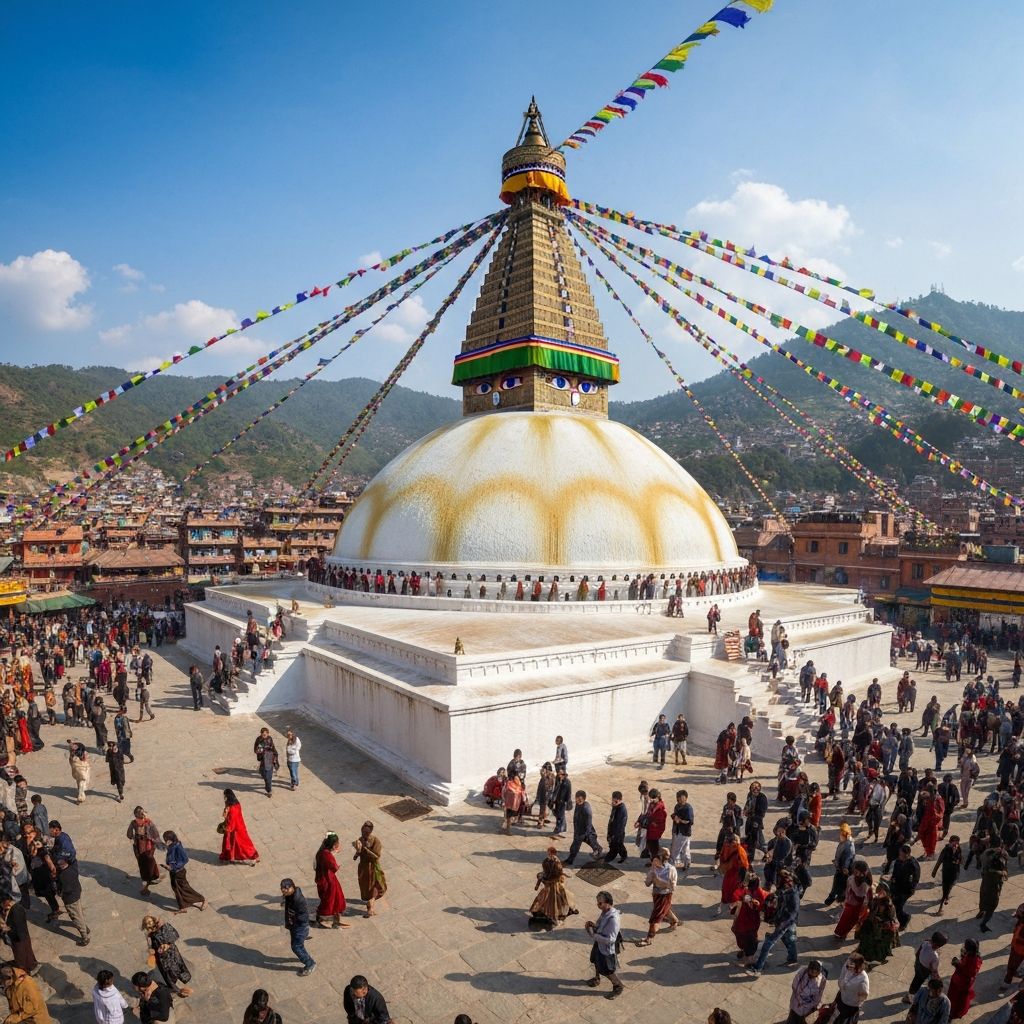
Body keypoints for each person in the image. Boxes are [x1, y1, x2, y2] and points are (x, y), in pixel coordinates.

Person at [750, 869, 800, 975]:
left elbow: (793, 913)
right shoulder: (784, 889)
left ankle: (758, 967)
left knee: (768, 943)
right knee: (789, 941)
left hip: (785, 923)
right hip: (781, 920)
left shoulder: (793, 895)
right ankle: (792, 959)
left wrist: (781, 925)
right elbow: (775, 899)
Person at [50, 820, 90, 946]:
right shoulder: (71, 867)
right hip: (75, 890)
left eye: (51, 829)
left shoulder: (64, 873)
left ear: (56, 829)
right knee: (78, 910)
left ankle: (84, 936)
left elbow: (68, 854)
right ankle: (84, 927)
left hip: (70, 894)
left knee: (74, 914)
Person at [585, 890, 624, 1000]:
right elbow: (600, 925)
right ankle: (597, 979)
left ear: (608, 902)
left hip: (606, 948)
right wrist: (594, 926)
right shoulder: (605, 912)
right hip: (599, 944)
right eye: (598, 903)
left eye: (600, 903)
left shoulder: (613, 919)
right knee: (595, 960)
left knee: (607, 970)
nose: (598, 905)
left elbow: (611, 939)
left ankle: (618, 986)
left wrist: (593, 935)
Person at [142, 915, 193, 998]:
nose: (148, 924)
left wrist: (167, 944)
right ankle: (175, 988)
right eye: (146, 923)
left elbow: (175, 935)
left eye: (149, 922)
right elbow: (151, 945)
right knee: (167, 973)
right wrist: (151, 950)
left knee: (176, 967)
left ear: (154, 920)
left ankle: (180, 980)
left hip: (171, 952)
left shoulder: (163, 926)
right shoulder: (148, 934)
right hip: (160, 957)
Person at [635, 847, 678, 946]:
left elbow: (672, 887)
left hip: (663, 895)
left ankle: (649, 938)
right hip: (660, 895)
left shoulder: (666, 869)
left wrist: (658, 880)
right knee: (665, 910)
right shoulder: (666, 869)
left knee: (655, 919)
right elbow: (672, 886)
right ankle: (674, 922)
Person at [528, 846, 577, 928]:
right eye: (548, 853)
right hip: (551, 885)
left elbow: (556, 874)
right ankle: (552, 916)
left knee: (554, 902)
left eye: (549, 853)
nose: (549, 855)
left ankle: (555, 918)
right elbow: (548, 873)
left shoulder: (555, 863)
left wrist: (544, 878)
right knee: (547, 900)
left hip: (554, 886)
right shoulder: (547, 861)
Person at [855, 882, 899, 965]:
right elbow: (869, 912)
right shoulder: (875, 901)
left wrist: (881, 921)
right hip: (872, 926)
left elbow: (892, 920)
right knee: (866, 940)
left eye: (882, 891)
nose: (879, 893)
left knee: (880, 947)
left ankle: (877, 960)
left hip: (884, 931)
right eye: (879, 891)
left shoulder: (890, 906)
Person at [162, 831, 206, 913]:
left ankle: (201, 899)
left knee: (185, 888)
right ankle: (182, 906)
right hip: (173, 871)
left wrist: (173, 866)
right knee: (176, 888)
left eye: (166, 839)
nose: (165, 841)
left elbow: (185, 859)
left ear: (171, 839)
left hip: (179, 872)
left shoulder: (178, 847)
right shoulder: (171, 846)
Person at [730, 871, 767, 965]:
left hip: (742, 919)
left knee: (743, 937)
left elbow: (736, 898)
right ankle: (748, 960)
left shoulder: (745, 891)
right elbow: (759, 906)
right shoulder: (757, 893)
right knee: (750, 940)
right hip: (750, 922)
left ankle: (744, 951)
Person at [280, 878, 315, 977]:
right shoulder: (290, 895)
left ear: (292, 887)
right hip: (293, 925)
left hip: (299, 927)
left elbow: (303, 917)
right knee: (298, 944)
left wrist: (295, 924)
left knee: (296, 947)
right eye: (282, 889)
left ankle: (309, 963)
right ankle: (303, 952)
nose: (284, 891)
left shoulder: (298, 900)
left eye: (286, 889)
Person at [314, 832, 349, 928]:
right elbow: (334, 868)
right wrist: (337, 863)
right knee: (331, 901)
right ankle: (324, 919)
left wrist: (333, 853)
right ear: (333, 845)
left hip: (323, 879)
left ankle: (334, 919)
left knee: (331, 899)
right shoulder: (327, 855)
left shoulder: (321, 852)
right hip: (328, 881)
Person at [353, 820, 386, 917]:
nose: (364, 834)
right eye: (363, 832)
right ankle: (370, 905)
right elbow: (356, 856)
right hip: (363, 868)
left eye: (366, 832)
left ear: (370, 832)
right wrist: (357, 852)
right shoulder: (360, 840)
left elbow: (376, 856)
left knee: (375, 886)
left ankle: (370, 908)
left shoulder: (375, 841)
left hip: (373, 867)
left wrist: (366, 849)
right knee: (367, 887)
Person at [127, 806, 163, 895]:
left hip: (145, 845)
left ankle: (149, 880)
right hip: (143, 845)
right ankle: (152, 878)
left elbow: (129, 835)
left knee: (146, 862)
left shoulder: (145, 822)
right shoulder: (140, 823)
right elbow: (130, 834)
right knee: (147, 861)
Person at [903, 932, 947, 1004]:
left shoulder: (925, 942)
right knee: (917, 983)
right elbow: (934, 969)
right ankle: (910, 997)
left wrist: (917, 961)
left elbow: (918, 953)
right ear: (939, 946)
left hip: (918, 965)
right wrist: (937, 978)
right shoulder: (935, 956)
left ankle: (911, 993)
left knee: (916, 979)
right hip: (924, 971)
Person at [219, 789, 259, 865]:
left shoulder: (232, 808)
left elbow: (231, 821)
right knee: (242, 844)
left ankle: (253, 857)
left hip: (235, 830)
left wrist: (227, 829)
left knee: (242, 846)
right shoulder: (236, 804)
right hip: (240, 827)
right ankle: (231, 857)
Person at [0, 894, 37, 975]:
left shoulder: (17, 909)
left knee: (22, 954)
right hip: (15, 936)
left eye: (2, 903)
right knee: (25, 953)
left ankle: (24, 970)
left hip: (19, 937)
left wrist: (7, 930)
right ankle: (29, 965)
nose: (2, 906)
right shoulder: (6, 908)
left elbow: (20, 928)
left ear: (7, 901)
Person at [564, 791, 603, 865]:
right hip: (578, 829)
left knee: (574, 847)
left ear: (584, 799)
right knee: (591, 843)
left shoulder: (586, 809)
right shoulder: (578, 804)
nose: (577, 801)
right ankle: (598, 848)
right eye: (577, 799)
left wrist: (587, 834)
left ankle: (570, 860)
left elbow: (588, 823)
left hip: (584, 831)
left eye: (580, 800)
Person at [946, 938, 981, 1019]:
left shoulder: (974, 961)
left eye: (965, 946)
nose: (964, 947)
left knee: (957, 999)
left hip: (961, 983)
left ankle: (954, 1013)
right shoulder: (973, 955)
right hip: (960, 980)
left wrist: (957, 964)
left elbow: (969, 973)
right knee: (956, 997)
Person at [979, 842, 1009, 931]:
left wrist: (1004, 873)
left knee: (983, 897)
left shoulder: (988, 853)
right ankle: (983, 924)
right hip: (993, 885)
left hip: (986, 882)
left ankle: (981, 911)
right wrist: (1002, 873)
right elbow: (999, 870)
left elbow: (1004, 868)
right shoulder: (993, 856)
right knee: (992, 905)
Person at [891, 843, 920, 930]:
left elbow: (914, 879)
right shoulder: (898, 861)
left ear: (907, 855)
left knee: (898, 906)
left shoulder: (913, 865)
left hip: (906, 890)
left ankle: (904, 920)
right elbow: (895, 872)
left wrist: (911, 889)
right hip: (897, 886)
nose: (899, 856)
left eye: (901, 855)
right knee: (894, 903)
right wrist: (893, 879)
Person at [787, 960, 827, 1024]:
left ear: (819, 972)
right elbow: (795, 986)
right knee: (793, 1015)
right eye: (811, 973)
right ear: (808, 969)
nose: (813, 976)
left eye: (815, 974)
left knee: (800, 1017)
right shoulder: (802, 972)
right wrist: (800, 1001)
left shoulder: (822, 980)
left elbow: (818, 995)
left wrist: (811, 1005)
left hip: (807, 1006)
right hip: (796, 1001)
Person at [835, 953, 869, 1024]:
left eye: (851, 966)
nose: (848, 968)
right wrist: (842, 987)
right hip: (842, 996)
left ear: (858, 967)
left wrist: (855, 1002)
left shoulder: (863, 979)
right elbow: (842, 976)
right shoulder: (847, 965)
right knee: (836, 1014)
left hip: (851, 1005)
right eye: (847, 965)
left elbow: (863, 995)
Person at [1001, 903, 1024, 995]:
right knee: (1012, 965)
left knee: (1012, 965)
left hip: (1019, 948)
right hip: (1017, 947)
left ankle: (1008, 982)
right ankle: (1008, 981)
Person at [670, 789, 694, 870]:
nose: (679, 799)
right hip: (677, 830)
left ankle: (674, 864)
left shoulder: (688, 808)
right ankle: (687, 863)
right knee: (685, 848)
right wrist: (674, 817)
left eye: (681, 798)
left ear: (686, 798)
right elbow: (674, 815)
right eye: (678, 798)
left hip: (684, 832)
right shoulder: (677, 806)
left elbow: (690, 821)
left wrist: (679, 820)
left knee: (676, 848)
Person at [604, 791, 628, 865]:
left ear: (620, 800)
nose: (613, 802)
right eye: (613, 800)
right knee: (615, 844)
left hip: (618, 832)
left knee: (618, 844)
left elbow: (621, 825)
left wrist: (615, 834)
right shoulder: (615, 806)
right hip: (612, 830)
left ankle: (621, 856)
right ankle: (621, 854)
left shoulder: (622, 810)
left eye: (615, 801)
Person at [254, 728, 279, 798]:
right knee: (263, 774)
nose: (264, 736)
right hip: (262, 759)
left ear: (268, 734)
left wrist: (274, 757)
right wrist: (258, 750)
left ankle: (269, 791)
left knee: (268, 777)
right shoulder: (258, 739)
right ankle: (267, 785)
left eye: (265, 734)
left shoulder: (270, 739)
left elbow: (273, 747)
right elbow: (255, 748)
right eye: (262, 734)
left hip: (269, 759)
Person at [68, 739, 90, 804]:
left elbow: (85, 761)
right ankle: (80, 794)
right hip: (76, 771)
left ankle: (80, 798)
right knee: (79, 783)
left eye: (75, 746)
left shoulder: (83, 753)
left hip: (83, 770)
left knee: (81, 783)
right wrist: (71, 742)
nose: (73, 747)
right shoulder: (72, 752)